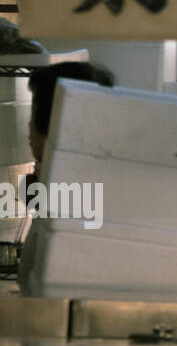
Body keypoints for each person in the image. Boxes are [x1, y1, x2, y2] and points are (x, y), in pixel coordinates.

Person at [17, 61, 114, 295]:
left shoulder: (71, 205)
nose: (29, 126)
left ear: (51, 122)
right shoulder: (94, 181)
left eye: (33, 112)